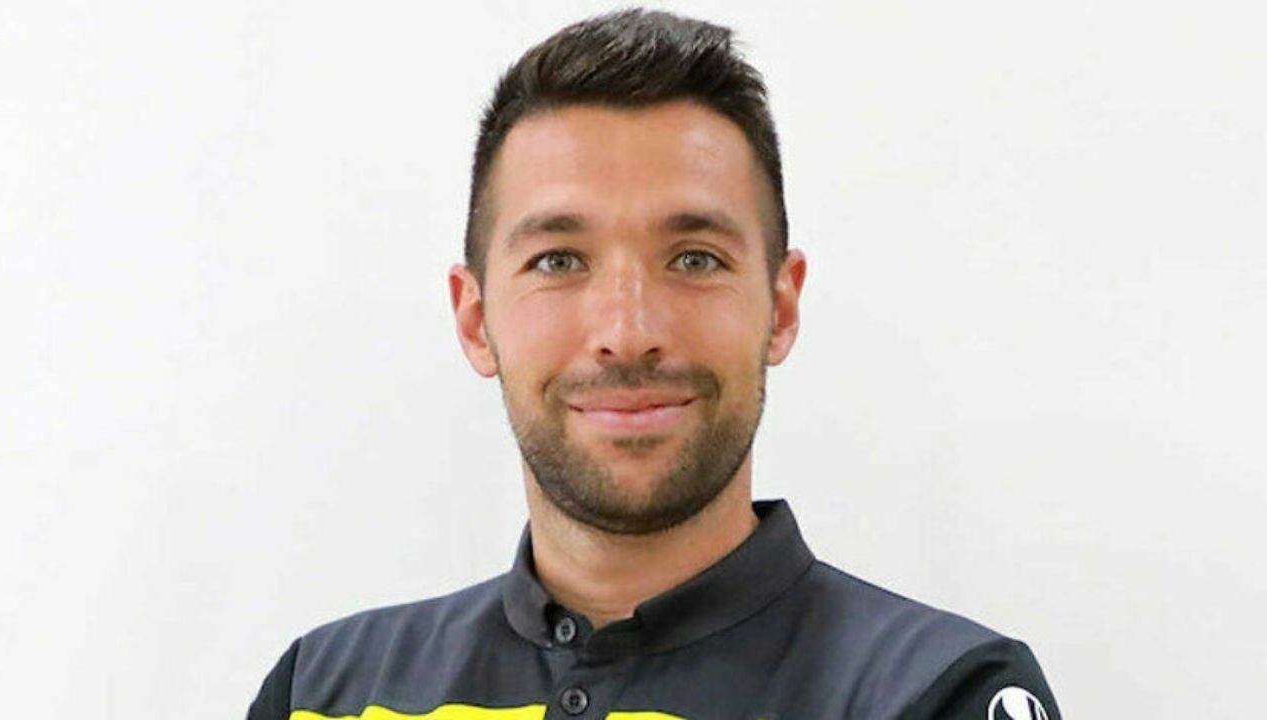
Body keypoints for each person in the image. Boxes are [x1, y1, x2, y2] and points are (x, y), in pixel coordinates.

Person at [247, 8, 1061, 720]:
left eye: (695, 259)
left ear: (781, 308)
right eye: (559, 261)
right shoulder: (323, 693)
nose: (629, 332)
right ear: (475, 320)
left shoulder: (937, 693)